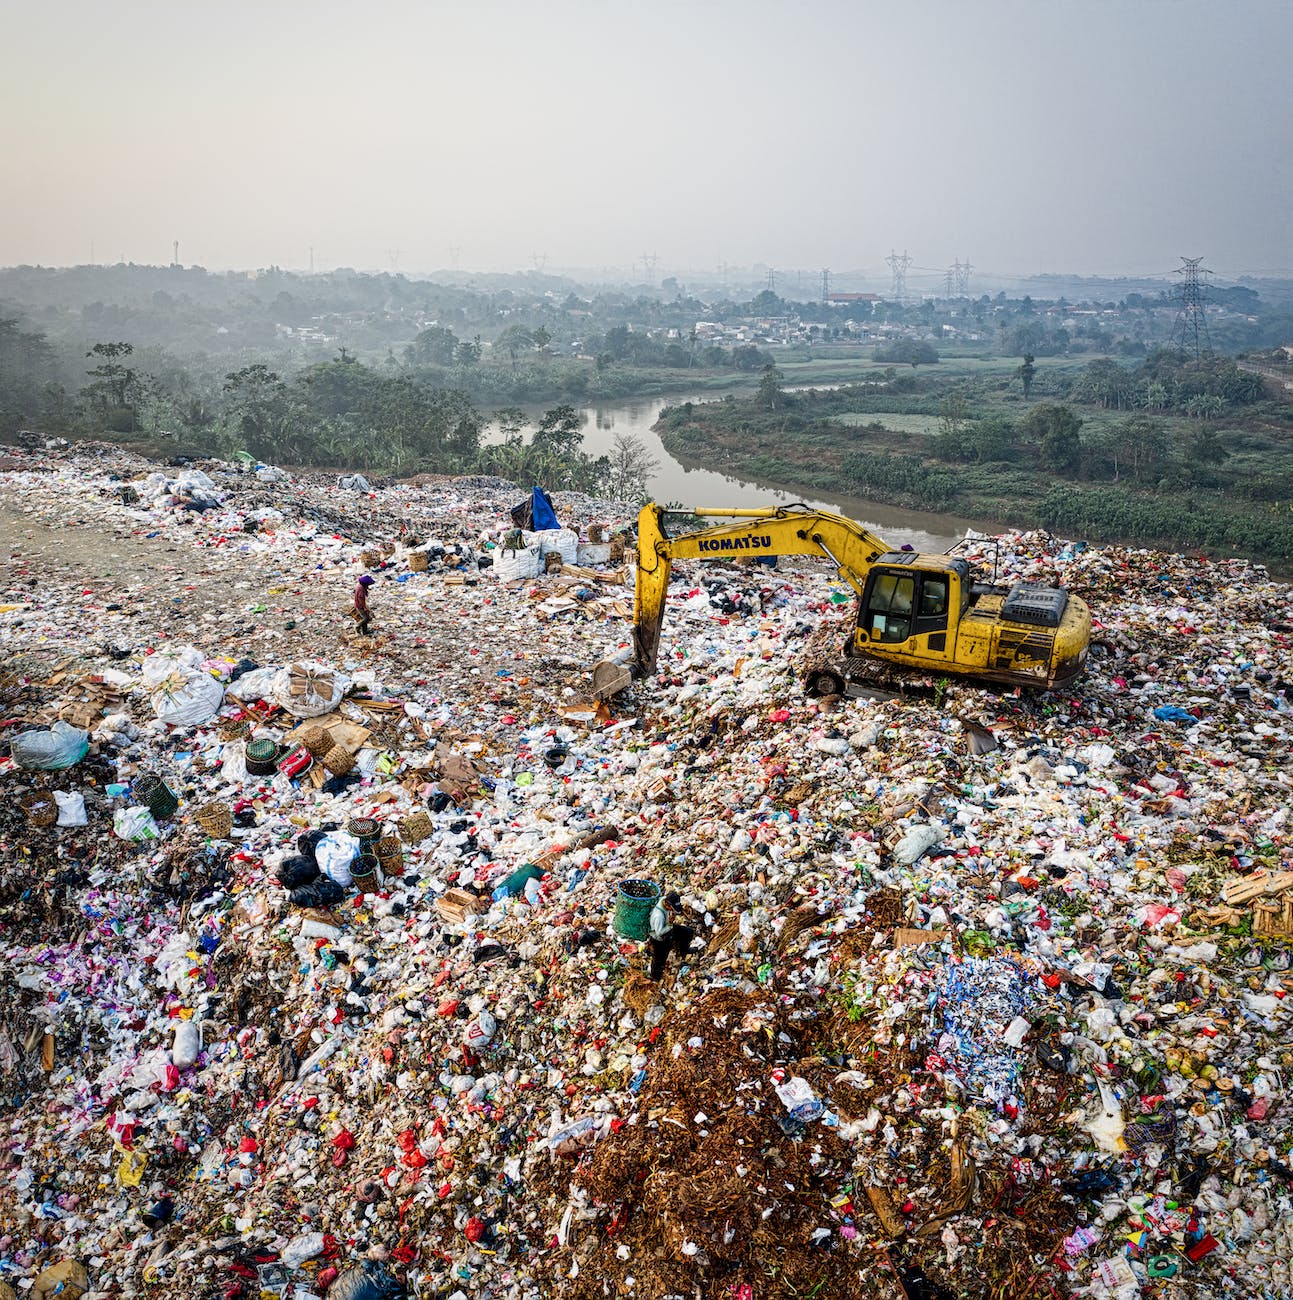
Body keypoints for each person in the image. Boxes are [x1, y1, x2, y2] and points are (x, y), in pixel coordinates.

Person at [646, 891, 697, 982]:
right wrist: (670, 923)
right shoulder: (658, 916)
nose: (672, 910)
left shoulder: (664, 900)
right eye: (672, 908)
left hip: (668, 927)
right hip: (658, 938)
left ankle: (684, 951)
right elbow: (659, 933)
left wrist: (670, 922)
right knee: (659, 961)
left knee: (688, 932)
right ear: (667, 904)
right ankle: (655, 978)